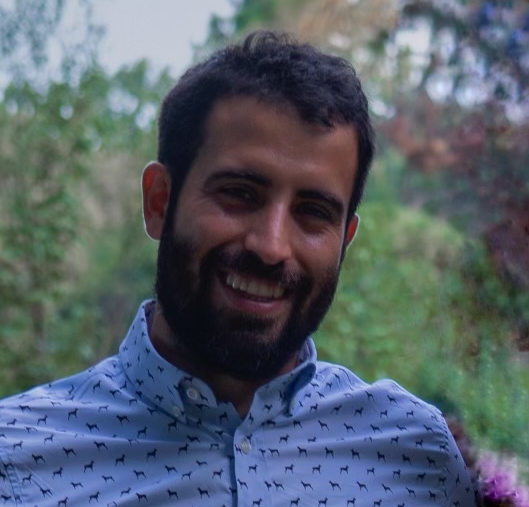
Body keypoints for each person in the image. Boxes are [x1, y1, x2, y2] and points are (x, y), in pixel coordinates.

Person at [0, 31, 479, 506]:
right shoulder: (16, 465)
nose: (271, 247)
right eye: (239, 194)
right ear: (159, 202)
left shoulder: (420, 460)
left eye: (313, 212)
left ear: (344, 241)